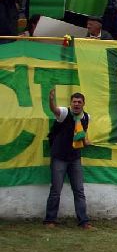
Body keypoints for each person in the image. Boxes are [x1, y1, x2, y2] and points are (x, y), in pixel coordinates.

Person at [44, 89, 93, 229]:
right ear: (70, 103)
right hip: (59, 157)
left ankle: (84, 221)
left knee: (79, 191)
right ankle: (50, 220)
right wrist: (51, 100)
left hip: (75, 158)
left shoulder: (87, 117)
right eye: (74, 102)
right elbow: (54, 110)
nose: (76, 104)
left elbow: (81, 133)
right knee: (56, 190)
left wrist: (86, 141)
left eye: (79, 102)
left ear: (83, 104)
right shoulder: (65, 113)